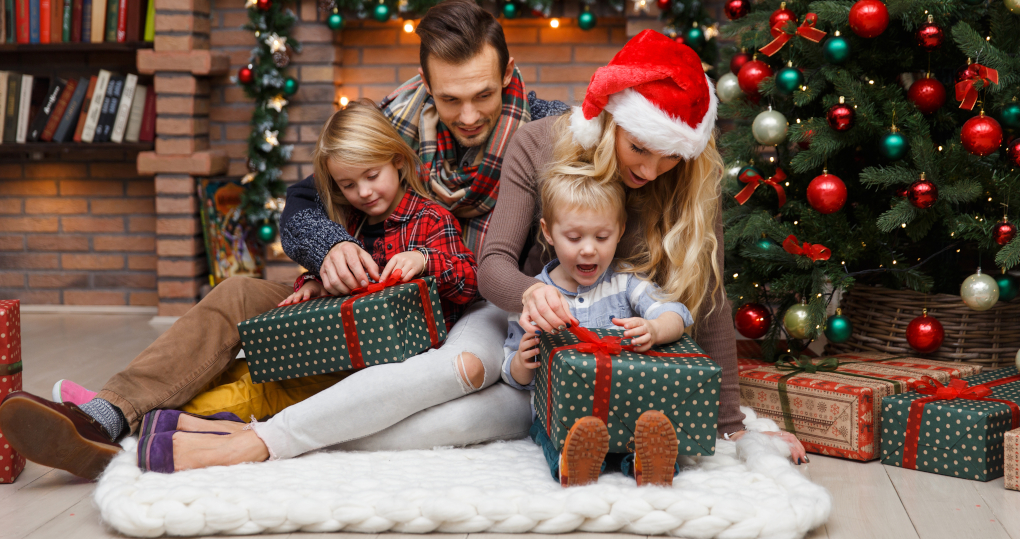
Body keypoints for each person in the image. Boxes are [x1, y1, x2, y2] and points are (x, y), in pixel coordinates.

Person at [0, 0, 563, 481]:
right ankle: (106, 416)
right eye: (449, 98)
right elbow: (303, 201)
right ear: (424, 83)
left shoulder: (547, 129)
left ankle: (192, 425)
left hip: (461, 317)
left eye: (483, 95)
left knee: (277, 380)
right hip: (362, 299)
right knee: (239, 295)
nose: (467, 115)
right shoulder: (395, 120)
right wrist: (331, 250)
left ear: (508, 70)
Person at [478, 29, 807, 462]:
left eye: (670, 155)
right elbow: (492, 264)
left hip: (632, 363)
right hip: (535, 346)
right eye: (639, 148)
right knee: (460, 395)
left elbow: (708, 301)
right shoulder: (538, 144)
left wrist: (731, 428)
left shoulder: (690, 181)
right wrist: (532, 293)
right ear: (612, 118)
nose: (652, 171)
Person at [131, 101, 481, 471]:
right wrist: (313, 284)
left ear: (397, 160)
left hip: (389, 364)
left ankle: (170, 419)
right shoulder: (348, 221)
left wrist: (425, 259)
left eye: (372, 175)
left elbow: (469, 281)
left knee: (269, 388)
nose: (363, 191)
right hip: (343, 347)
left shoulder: (429, 217)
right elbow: (337, 283)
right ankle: (145, 408)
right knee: (245, 368)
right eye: (348, 184)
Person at [503, 168, 693, 487]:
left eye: (601, 237)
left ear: (619, 231)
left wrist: (655, 329)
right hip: (559, 417)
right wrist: (522, 364)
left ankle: (650, 466)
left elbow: (677, 313)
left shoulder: (625, 285)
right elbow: (510, 372)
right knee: (552, 437)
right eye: (574, 237)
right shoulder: (535, 296)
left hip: (625, 406)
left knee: (641, 432)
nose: (588, 249)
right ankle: (574, 464)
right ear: (549, 233)